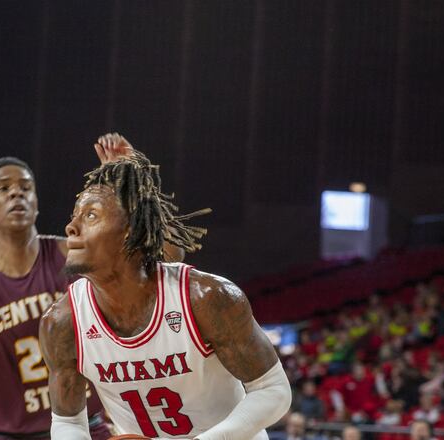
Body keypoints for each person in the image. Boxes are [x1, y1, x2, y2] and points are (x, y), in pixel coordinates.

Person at [40, 149, 292, 439]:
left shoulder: (206, 297)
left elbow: (273, 390)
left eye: (91, 215)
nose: (71, 227)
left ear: (130, 231)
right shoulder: (62, 322)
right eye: (75, 217)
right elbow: (68, 422)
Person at [0, 134, 146, 439]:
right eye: (4, 188)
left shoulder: (70, 253)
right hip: (11, 432)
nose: (17, 194)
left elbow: (150, 259)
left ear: (36, 203)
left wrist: (129, 187)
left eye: (26, 188)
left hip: (85, 425)